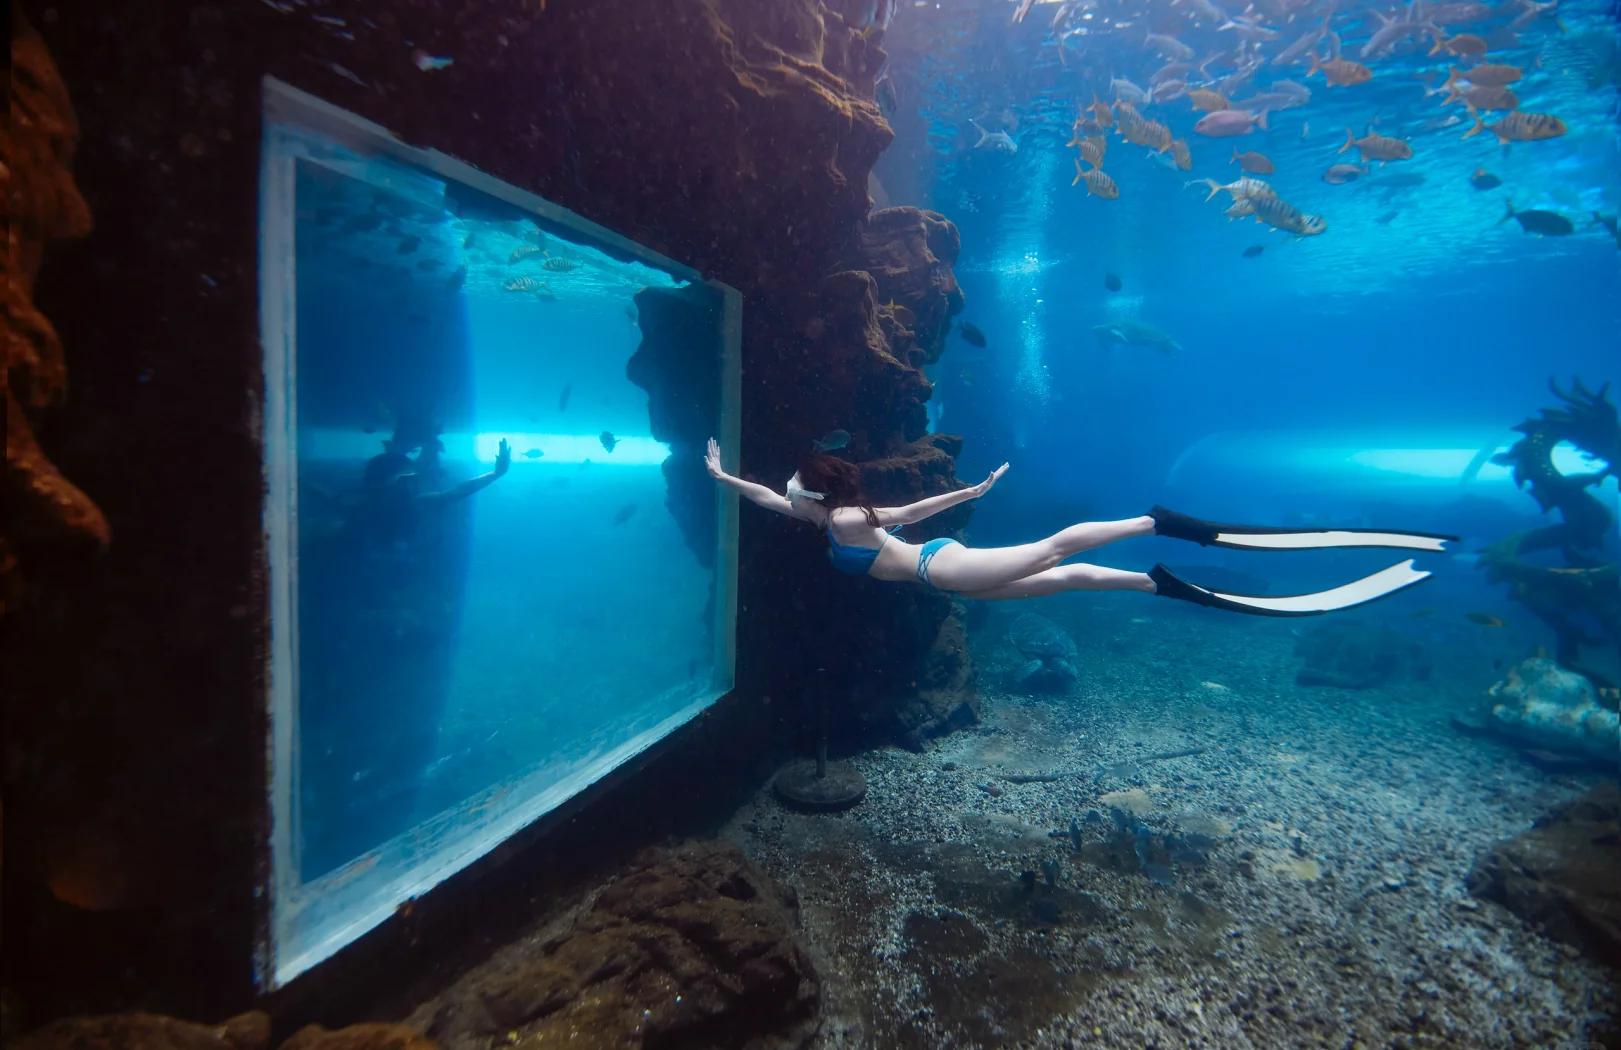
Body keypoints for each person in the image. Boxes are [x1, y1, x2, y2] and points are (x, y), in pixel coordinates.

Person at [703, 439, 1456, 615]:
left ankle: (1157, 523)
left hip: (943, 569)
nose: (791, 492)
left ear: (820, 493)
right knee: (1063, 578)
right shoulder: (811, 512)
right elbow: (766, 497)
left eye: (800, 487)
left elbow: (911, 512)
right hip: (943, 570)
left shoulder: (840, 515)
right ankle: (1159, 583)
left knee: (1058, 546)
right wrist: (721, 477)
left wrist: (969, 488)